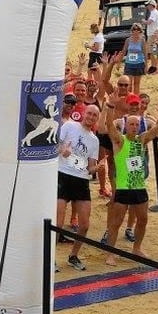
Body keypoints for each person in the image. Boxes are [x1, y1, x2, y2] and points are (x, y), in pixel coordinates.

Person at [103, 96, 158, 266]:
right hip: (123, 188)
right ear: (126, 126)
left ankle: (137, 248)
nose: (134, 127)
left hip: (139, 187)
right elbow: (110, 126)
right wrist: (111, 106)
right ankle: (111, 253)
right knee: (116, 222)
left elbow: (157, 128)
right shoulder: (120, 141)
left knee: (143, 219)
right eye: (131, 124)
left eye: (136, 125)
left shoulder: (141, 140)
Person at [57, 104, 101, 271]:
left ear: (97, 119)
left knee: (84, 225)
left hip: (81, 180)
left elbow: (90, 167)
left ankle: (73, 255)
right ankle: (50, 259)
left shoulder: (94, 140)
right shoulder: (69, 125)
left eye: (94, 115)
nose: (90, 117)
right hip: (63, 175)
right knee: (58, 224)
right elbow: (54, 145)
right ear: (83, 113)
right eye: (89, 113)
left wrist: (98, 168)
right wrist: (63, 151)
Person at [144, 0, 158, 75]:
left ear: (151, 5)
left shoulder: (154, 13)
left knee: (153, 52)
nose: (147, 6)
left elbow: (149, 22)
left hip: (153, 34)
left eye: (148, 5)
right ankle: (154, 67)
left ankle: (155, 68)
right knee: (153, 52)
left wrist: (144, 21)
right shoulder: (155, 12)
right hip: (153, 33)